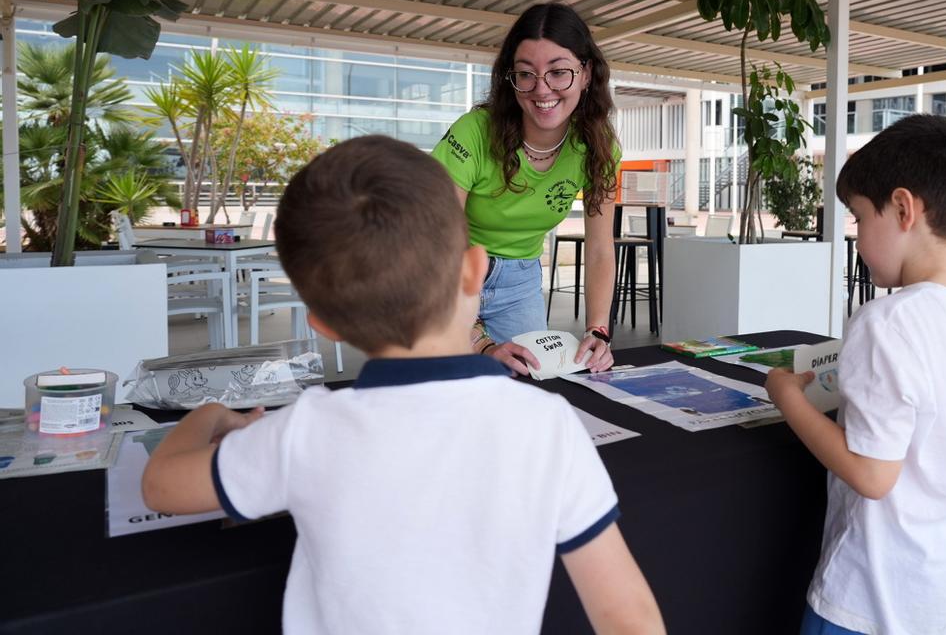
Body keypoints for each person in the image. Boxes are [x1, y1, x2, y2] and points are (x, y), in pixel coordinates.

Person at [142, 136, 664, 635]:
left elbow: (161, 485)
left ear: (321, 323)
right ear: (474, 272)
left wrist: (211, 414)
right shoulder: (548, 427)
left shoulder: (306, 430)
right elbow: (628, 616)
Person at [765, 115, 946, 635]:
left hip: (874, 600)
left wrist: (786, 395)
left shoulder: (886, 321)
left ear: (904, 209)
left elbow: (871, 474)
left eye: (860, 218)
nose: (857, 240)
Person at [431, 3, 619, 377]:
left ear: (586, 74)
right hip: (446, 272)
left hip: (518, 283)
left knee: (528, 385)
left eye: (559, 72)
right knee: (444, 388)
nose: (541, 89)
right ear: (510, 79)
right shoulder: (474, 132)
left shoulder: (599, 148)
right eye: (526, 74)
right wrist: (478, 341)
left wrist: (598, 329)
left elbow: (599, 248)